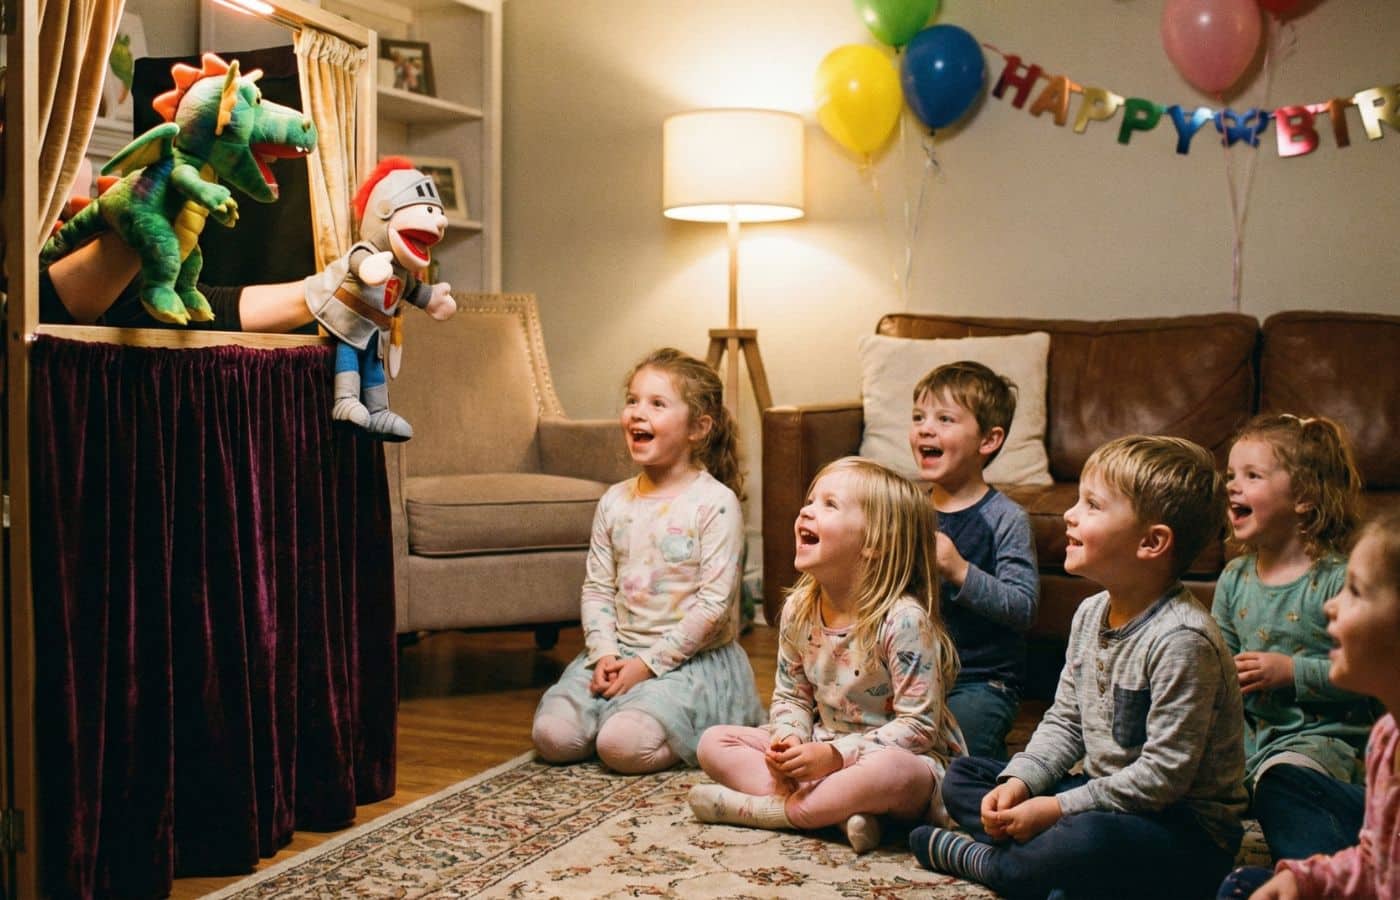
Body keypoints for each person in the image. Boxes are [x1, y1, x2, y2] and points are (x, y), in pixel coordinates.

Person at [912, 434, 1247, 900]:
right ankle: (1046, 864)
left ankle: (998, 864)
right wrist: (1019, 783)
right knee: (963, 777)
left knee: (1086, 838)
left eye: (1092, 505)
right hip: (1101, 794)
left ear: (1151, 542)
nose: (1070, 514)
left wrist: (1056, 810)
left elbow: (1161, 780)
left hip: (1182, 830)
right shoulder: (1090, 613)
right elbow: (1066, 721)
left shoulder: (1183, 639)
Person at [688, 456, 964, 853]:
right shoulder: (799, 609)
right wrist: (789, 741)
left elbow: (919, 728)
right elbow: (791, 697)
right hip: (822, 746)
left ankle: (775, 811)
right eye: (810, 501)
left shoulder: (904, 620)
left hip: (896, 758)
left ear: (875, 544)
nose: (806, 511)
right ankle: (839, 814)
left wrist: (836, 757)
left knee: (892, 771)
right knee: (715, 742)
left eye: (829, 505)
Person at [530, 348, 763, 774]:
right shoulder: (614, 500)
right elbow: (598, 588)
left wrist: (646, 666)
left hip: (687, 662)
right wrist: (604, 653)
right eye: (633, 400)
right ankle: (620, 714)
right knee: (552, 737)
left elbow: (713, 608)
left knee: (619, 747)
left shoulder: (715, 503)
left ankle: (682, 730)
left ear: (698, 427)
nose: (638, 412)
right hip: (620, 652)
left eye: (657, 403)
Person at [1212, 414, 1374, 863]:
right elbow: (1218, 660)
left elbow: (1369, 675)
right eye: (1231, 475)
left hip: (1319, 740)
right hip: (1246, 741)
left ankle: (1317, 872)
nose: (1232, 486)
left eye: (1252, 475)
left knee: (1282, 788)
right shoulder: (1233, 577)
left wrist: (1291, 672)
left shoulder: (1338, 580)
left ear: (1303, 498)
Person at [1218, 508, 1400, 900]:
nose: (1331, 606)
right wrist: (1304, 879)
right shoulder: (1387, 737)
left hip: (1312, 747)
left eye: (1355, 591)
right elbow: (1379, 861)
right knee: (1241, 887)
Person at [907, 360, 1038, 759]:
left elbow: (1023, 607)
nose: (925, 429)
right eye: (918, 417)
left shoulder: (1006, 518)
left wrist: (959, 570)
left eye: (944, 419)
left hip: (980, 681)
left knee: (956, 756)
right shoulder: (907, 510)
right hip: (909, 673)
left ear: (988, 440)